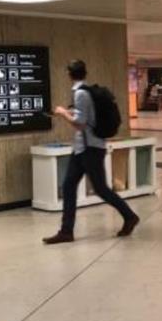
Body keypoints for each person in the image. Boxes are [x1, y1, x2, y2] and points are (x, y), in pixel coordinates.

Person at [43, 60, 139, 244]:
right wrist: (68, 111)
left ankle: (129, 216)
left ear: (69, 74)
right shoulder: (86, 92)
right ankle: (66, 231)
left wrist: (63, 113)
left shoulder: (81, 93)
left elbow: (80, 123)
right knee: (69, 186)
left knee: (101, 189)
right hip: (82, 148)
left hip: (90, 149)